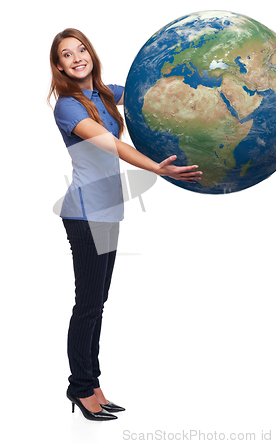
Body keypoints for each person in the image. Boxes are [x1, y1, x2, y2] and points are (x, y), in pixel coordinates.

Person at [48, 28, 202, 421]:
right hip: (84, 216)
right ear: (60, 66)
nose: (77, 57)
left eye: (81, 49)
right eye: (67, 54)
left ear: (91, 54)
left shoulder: (105, 94)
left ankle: (94, 384)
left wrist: (189, 72)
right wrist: (156, 168)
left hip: (109, 212)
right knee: (87, 306)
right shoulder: (67, 106)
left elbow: (142, 90)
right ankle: (80, 388)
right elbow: (109, 143)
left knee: (98, 304)